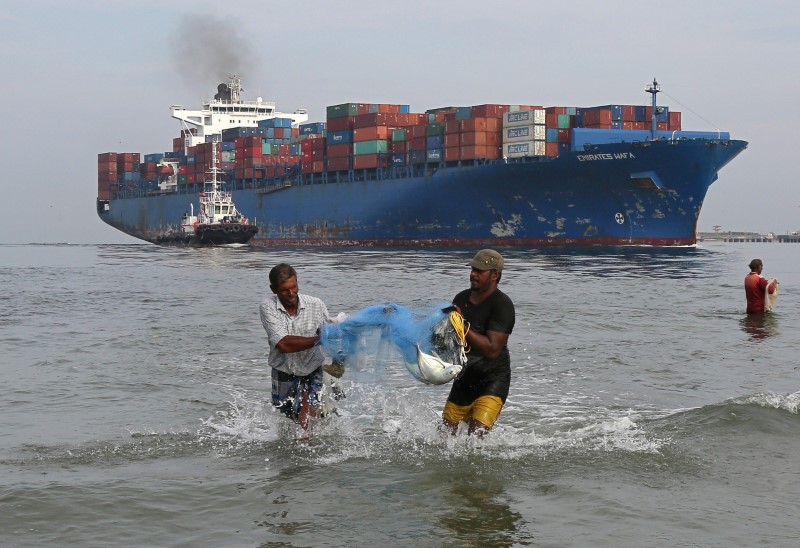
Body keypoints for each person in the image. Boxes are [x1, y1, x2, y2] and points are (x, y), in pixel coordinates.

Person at [442, 249, 515, 437]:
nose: (473, 274)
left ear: (495, 275)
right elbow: (451, 336)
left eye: (479, 271)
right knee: (443, 438)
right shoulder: (461, 299)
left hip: (492, 380)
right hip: (464, 379)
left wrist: (462, 325)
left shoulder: (502, 305)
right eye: (473, 269)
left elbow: (492, 349)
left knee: (476, 437)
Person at [260, 263, 340, 432]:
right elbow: (283, 344)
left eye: (294, 287)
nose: (291, 294)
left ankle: (309, 448)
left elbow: (335, 327)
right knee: (291, 419)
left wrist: (376, 316)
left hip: (313, 368)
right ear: (273, 289)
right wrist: (319, 339)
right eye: (284, 290)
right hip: (284, 370)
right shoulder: (268, 307)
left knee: (306, 418)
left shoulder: (315, 304)